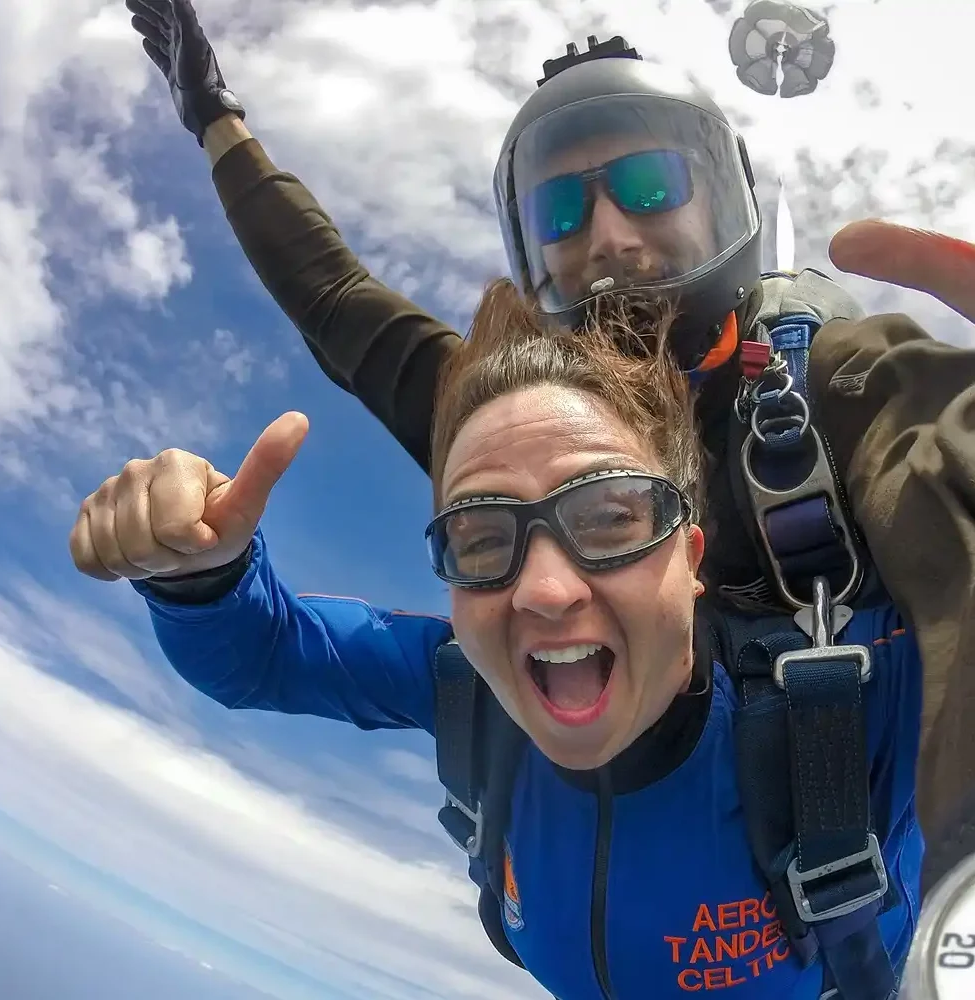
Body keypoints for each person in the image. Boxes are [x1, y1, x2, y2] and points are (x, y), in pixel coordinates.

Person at [124, 0, 975, 870]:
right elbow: (334, 299)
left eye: (651, 186)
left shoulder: (838, 386)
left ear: (725, 197)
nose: (607, 235)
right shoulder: (518, 435)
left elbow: (951, 483)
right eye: (560, 212)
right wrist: (213, 118)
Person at [72, 282, 924, 999]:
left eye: (608, 519)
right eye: (483, 540)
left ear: (690, 557)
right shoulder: (468, 694)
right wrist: (200, 575)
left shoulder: (854, 708)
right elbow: (259, 651)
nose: (547, 591)